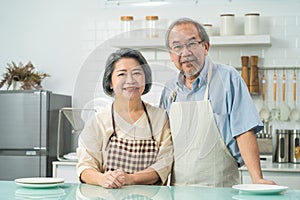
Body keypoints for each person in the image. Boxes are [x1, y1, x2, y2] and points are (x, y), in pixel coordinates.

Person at [159, 18, 275, 187]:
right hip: (179, 190)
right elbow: (164, 142)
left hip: (221, 188)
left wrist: (257, 178)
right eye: (177, 47)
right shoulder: (170, 89)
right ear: (171, 55)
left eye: (191, 44)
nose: (185, 53)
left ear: (205, 47)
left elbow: (243, 131)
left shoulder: (228, 78)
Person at [77, 48, 173, 189]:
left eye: (137, 73)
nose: (130, 80)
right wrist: (102, 179)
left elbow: (164, 163)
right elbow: (85, 166)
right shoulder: (99, 121)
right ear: (110, 82)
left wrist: (131, 178)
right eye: (122, 74)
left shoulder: (159, 117)